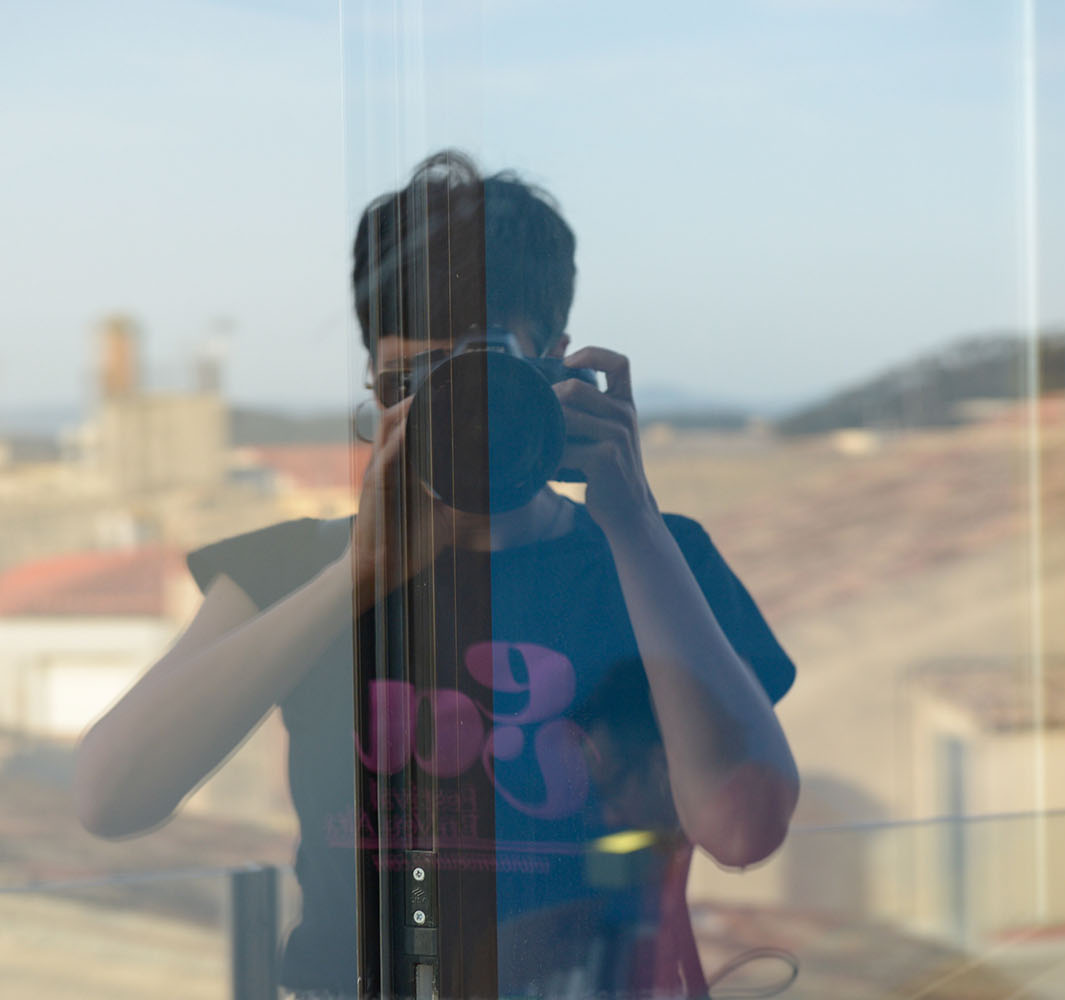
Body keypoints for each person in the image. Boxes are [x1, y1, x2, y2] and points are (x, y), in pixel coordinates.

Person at [75, 151, 799, 999]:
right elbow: (110, 798)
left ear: (558, 368)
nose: (448, 411)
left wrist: (633, 521)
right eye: (412, 383)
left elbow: (745, 831)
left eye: (478, 375)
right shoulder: (295, 569)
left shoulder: (654, 565)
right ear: (373, 391)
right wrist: (360, 573)